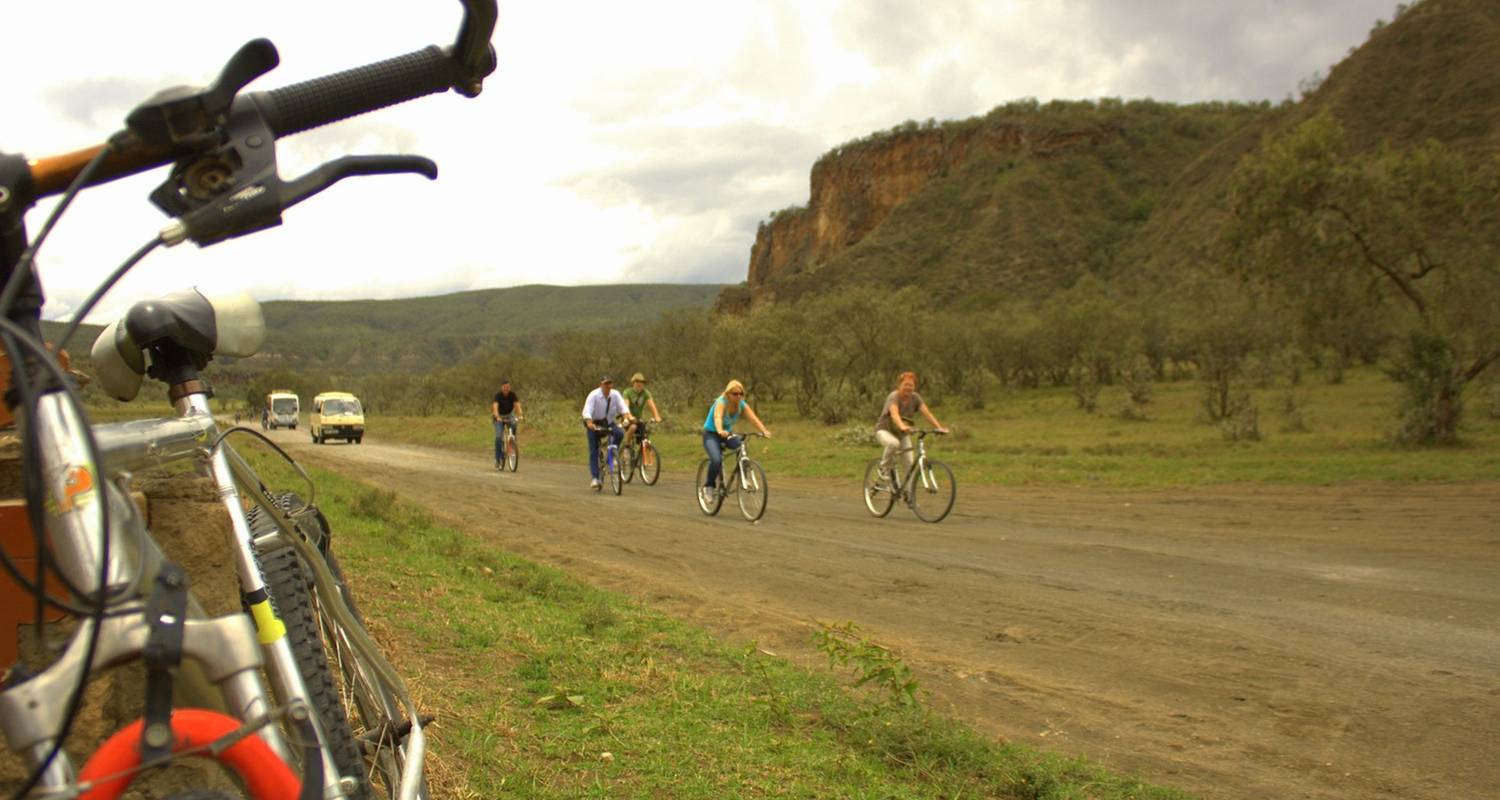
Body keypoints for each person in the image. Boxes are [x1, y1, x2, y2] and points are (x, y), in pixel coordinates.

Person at [700, 379, 771, 507]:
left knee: (741, 446)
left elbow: (753, 418)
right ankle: (708, 487)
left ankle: (745, 476)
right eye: (735, 394)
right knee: (716, 460)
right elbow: (717, 417)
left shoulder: (742, 405)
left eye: (741, 394)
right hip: (711, 434)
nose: (738, 396)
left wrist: (764, 431)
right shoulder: (721, 402)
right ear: (728, 394)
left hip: (726, 434)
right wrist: (720, 430)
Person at [875, 372, 947, 483]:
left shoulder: (915, 398)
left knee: (909, 463)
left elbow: (927, 414)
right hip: (884, 430)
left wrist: (939, 427)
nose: (908, 387)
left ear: (914, 387)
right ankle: (883, 469)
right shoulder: (894, 396)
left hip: (902, 433)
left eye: (911, 385)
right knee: (893, 443)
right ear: (899, 385)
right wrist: (902, 426)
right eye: (906, 384)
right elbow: (894, 414)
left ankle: (908, 495)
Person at [580, 375, 633, 489]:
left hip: (608, 423)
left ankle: (612, 453)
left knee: (619, 433)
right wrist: (589, 423)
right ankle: (595, 478)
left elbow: (623, 408)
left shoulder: (615, 394)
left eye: (610, 384)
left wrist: (626, 417)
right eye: (606, 384)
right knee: (593, 450)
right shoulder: (593, 395)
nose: (608, 386)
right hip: (594, 424)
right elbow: (587, 411)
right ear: (601, 385)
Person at [622, 372, 662, 459]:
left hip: (638, 419)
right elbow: (626, 407)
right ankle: (627, 447)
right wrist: (629, 416)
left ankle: (642, 453)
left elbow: (652, 405)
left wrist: (656, 416)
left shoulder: (645, 393)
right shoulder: (627, 392)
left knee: (645, 431)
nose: (640, 384)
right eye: (637, 382)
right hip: (627, 418)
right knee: (633, 427)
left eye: (641, 382)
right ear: (633, 383)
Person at [491, 379, 524, 469]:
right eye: (505, 387)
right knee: (498, 437)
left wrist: (520, 415)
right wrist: (497, 416)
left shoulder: (512, 395)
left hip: (509, 415)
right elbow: (495, 407)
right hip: (499, 417)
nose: (506, 389)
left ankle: (512, 442)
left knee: (514, 424)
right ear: (502, 387)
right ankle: (497, 459)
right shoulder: (498, 396)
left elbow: (517, 405)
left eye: (508, 387)